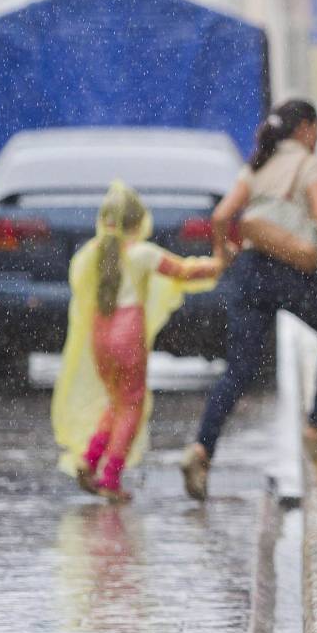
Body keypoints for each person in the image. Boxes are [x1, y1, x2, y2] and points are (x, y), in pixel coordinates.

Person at [180, 99, 317, 501]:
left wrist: (223, 256)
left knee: (238, 369)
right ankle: (316, 428)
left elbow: (222, 216)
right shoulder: (310, 163)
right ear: (305, 128)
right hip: (292, 272)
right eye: (316, 128)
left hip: (250, 269)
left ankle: (202, 448)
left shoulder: (257, 165)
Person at [52, 181, 228, 502]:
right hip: (128, 334)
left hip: (100, 334)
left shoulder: (93, 253)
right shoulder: (143, 254)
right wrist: (220, 263)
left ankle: (89, 460)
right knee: (131, 406)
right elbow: (183, 271)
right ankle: (110, 477)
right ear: (137, 222)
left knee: (115, 401)